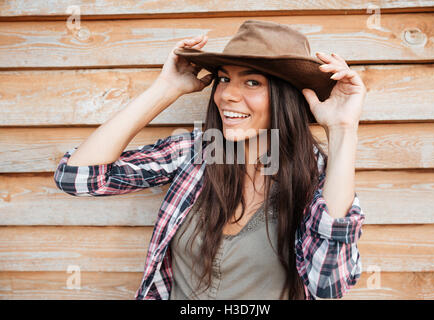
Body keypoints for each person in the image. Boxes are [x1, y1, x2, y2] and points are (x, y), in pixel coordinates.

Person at [54, 20, 367, 300]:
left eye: (252, 82)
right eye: (223, 78)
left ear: (287, 96)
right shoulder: (196, 153)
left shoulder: (320, 179)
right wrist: (165, 89)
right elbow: (78, 178)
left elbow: (329, 284)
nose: (227, 94)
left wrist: (342, 130)